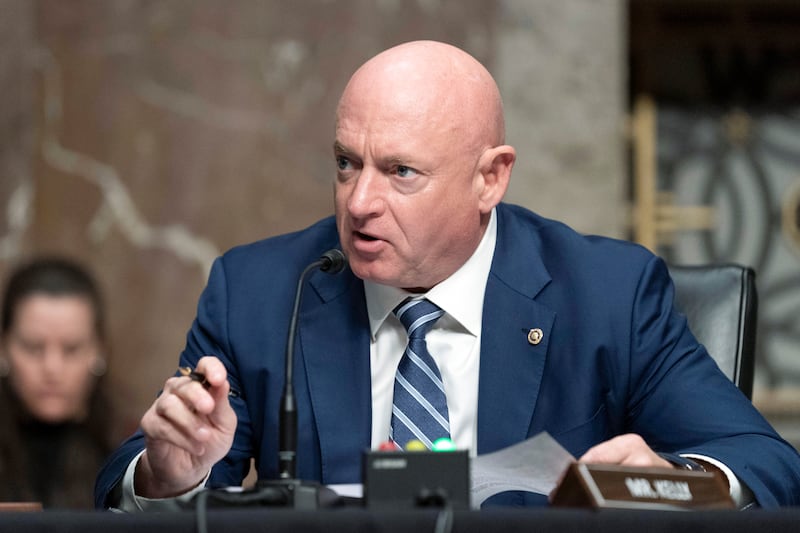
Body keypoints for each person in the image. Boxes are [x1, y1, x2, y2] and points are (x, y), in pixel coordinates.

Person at [96, 40, 800, 510]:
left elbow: (763, 464)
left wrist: (671, 483)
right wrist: (168, 473)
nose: (359, 202)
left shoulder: (608, 294)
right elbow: (135, 485)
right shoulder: (261, 290)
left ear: (490, 178)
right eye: (346, 163)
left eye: (401, 171)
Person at [0, 257, 113, 508]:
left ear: (99, 351)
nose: (52, 368)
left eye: (71, 349)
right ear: (4, 348)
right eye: (33, 347)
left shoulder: (133, 455)